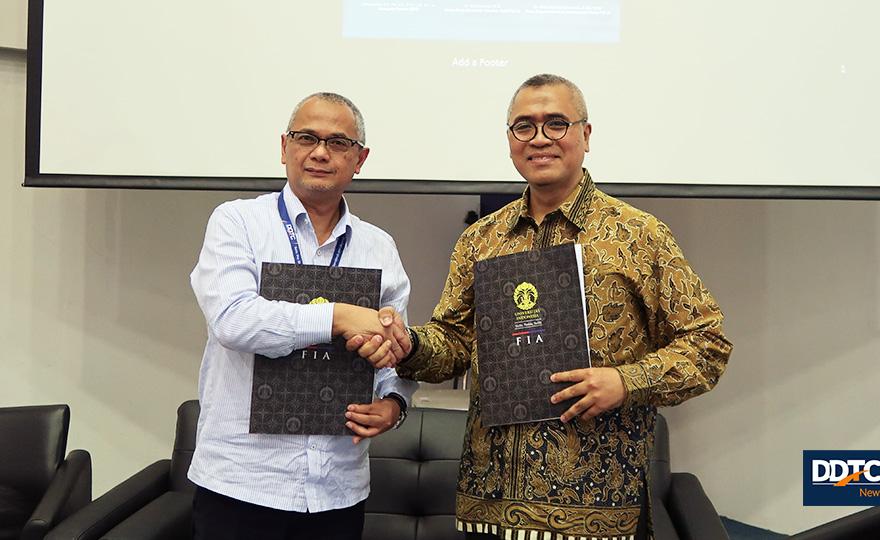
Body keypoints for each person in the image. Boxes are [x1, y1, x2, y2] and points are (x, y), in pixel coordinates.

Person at [352, 74, 732, 540]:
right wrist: (408, 343)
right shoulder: (482, 238)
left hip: (596, 511)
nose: (539, 139)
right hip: (488, 506)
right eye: (524, 127)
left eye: (556, 124)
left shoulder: (638, 235)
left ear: (586, 135)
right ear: (510, 140)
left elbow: (707, 344)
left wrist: (625, 381)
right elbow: (452, 344)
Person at [188, 92, 417, 540]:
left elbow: (397, 349)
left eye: (338, 142)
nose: (319, 152)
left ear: (360, 159)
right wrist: (338, 318)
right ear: (284, 147)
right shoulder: (237, 222)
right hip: (241, 484)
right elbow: (233, 320)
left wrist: (395, 403)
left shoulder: (379, 247)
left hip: (338, 488)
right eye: (306, 137)